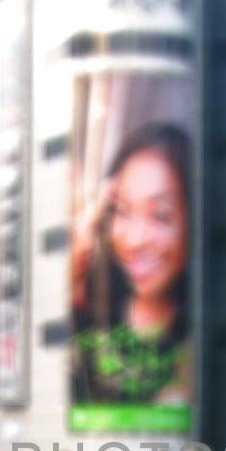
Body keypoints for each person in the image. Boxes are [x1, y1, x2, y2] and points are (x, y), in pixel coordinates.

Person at [69, 122, 194, 411]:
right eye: (122, 211)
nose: (135, 240)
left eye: (160, 216)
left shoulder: (204, 342)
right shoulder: (91, 307)